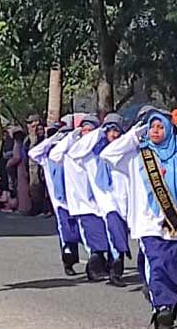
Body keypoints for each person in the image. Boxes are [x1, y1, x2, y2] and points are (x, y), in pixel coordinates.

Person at [101, 111, 177, 329]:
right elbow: (108, 154)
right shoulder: (137, 157)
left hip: (173, 221)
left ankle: (169, 305)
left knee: (172, 264)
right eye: (152, 127)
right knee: (156, 263)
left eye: (160, 127)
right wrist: (136, 134)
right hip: (146, 221)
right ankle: (161, 306)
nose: (155, 130)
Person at [69, 113, 132, 287]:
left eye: (116, 131)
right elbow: (74, 151)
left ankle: (113, 268)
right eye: (109, 131)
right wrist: (96, 134)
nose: (113, 135)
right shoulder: (91, 153)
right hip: (103, 203)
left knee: (119, 236)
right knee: (111, 236)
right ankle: (113, 272)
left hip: (123, 202)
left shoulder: (125, 152)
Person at [51, 115, 112, 281]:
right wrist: (73, 134)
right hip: (85, 204)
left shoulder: (101, 152)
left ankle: (105, 266)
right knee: (96, 241)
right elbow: (54, 154)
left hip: (103, 203)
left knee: (107, 240)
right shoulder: (75, 151)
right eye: (83, 130)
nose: (87, 133)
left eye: (89, 130)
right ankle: (93, 269)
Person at [28, 117, 82, 276]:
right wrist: (53, 138)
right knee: (66, 230)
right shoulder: (47, 157)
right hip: (59, 201)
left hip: (77, 197)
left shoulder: (72, 154)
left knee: (82, 229)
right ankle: (68, 261)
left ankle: (96, 260)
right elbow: (33, 152)